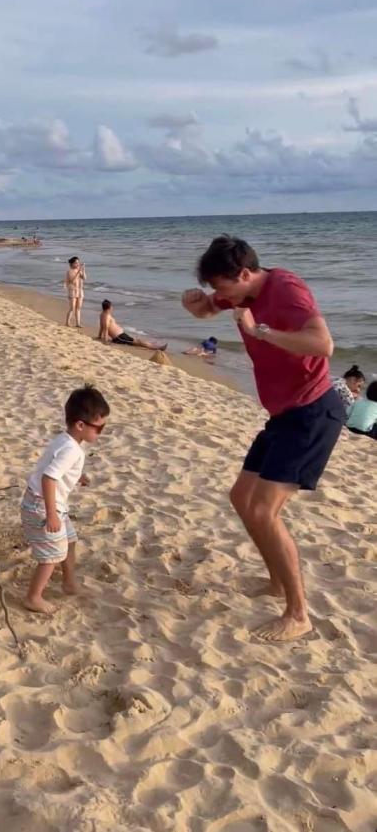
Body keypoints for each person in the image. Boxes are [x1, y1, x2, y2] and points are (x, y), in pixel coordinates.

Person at [182, 234, 344, 643]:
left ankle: (298, 613)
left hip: (313, 412)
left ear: (244, 274)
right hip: (283, 416)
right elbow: (205, 311)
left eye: (221, 287)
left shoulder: (286, 289)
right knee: (242, 498)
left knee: (263, 511)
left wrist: (263, 331)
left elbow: (323, 345)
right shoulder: (241, 292)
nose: (219, 295)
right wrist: (196, 303)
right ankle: (275, 582)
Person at [20, 385, 110, 614]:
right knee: (51, 556)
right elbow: (49, 478)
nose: (101, 433)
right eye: (100, 428)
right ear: (81, 425)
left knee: (69, 540)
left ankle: (69, 583)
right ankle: (33, 597)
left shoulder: (65, 440)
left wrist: (77, 475)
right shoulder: (72, 450)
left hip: (45, 502)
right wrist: (51, 514)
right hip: (43, 506)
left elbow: (55, 466)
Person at [98, 299, 167, 351]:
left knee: (137, 340)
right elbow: (105, 328)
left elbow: (101, 327)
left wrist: (99, 337)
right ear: (109, 307)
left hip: (121, 336)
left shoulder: (103, 315)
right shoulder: (106, 316)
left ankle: (153, 345)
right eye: (111, 306)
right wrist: (105, 341)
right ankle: (157, 348)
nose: (112, 308)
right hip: (119, 338)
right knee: (139, 342)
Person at [64, 256, 86, 328]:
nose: (78, 264)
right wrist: (78, 272)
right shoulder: (69, 271)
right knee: (72, 308)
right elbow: (72, 281)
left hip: (80, 290)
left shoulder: (79, 270)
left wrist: (83, 270)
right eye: (76, 263)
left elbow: (84, 278)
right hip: (73, 291)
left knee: (78, 308)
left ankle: (78, 323)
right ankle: (67, 322)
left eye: (78, 262)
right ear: (72, 264)